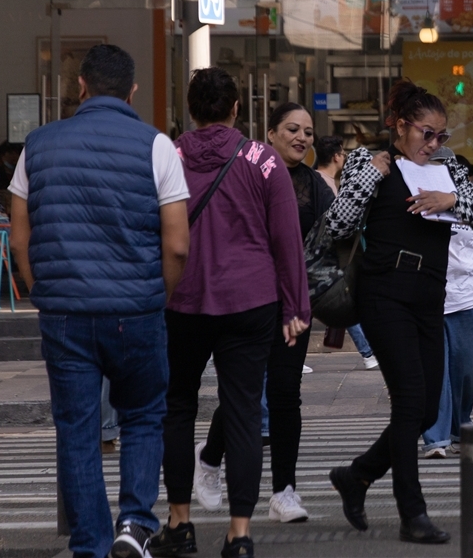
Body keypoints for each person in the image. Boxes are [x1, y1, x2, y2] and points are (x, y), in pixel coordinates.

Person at [8, 44, 190, 558]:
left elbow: (20, 240)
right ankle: (134, 524)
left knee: (78, 428)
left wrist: (42, 293)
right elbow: (177, 243)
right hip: (137, 310)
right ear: (132, 91)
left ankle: (89, 543)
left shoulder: (37, 145)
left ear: (81, 86)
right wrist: (159, 295)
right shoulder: (157, 146)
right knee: (143, 416)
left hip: (65, 314)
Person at [325, 80, 473, 544]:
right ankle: (412, 513)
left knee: (425, 411)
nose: (434, 144)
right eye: (426, 133)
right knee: (409, 401)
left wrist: (453, 201)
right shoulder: (368, 161)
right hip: (383, 295)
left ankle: (357, 475)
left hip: (430, 296)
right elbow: (337, 223)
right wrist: (371, 177)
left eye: (442, 136)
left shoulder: (449, 169)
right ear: (400, 127)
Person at [151, 68, 309, 558]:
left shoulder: (170, 156)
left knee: (177, 408)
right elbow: (287, 240)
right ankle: (239, 534)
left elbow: (151, 230)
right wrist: (296, 305)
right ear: (237, 108)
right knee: (242, 412)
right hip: (252, 301)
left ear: (192, 110)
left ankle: (180, 522)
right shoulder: (263, 160)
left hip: (182, 300)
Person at [195, 103, 332, 525]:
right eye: (292, 129)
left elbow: (336, 229)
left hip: (293, 302)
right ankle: (210, 457)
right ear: (269, 133)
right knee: (246, 391)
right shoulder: (248, 170)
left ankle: (284, 492)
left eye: (308, 132)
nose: (302, 138)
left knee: (286, 394)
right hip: (248, 298)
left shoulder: (314, 183)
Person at [422, 152, 473, 459]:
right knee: (435, 371)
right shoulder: (414, 201)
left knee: (466, 373)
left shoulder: (470, 204)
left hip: (470, 300)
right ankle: (436, 437)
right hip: (429, 299)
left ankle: (459, 427)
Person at [314, 135, 379, 370]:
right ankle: (368, 352)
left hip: (324, 256)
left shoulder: (320, 180)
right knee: (341, 299)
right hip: (326, 256)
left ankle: (368, 352)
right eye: (342, 154)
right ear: (336, 156)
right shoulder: (325, 184)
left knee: (340, 299)